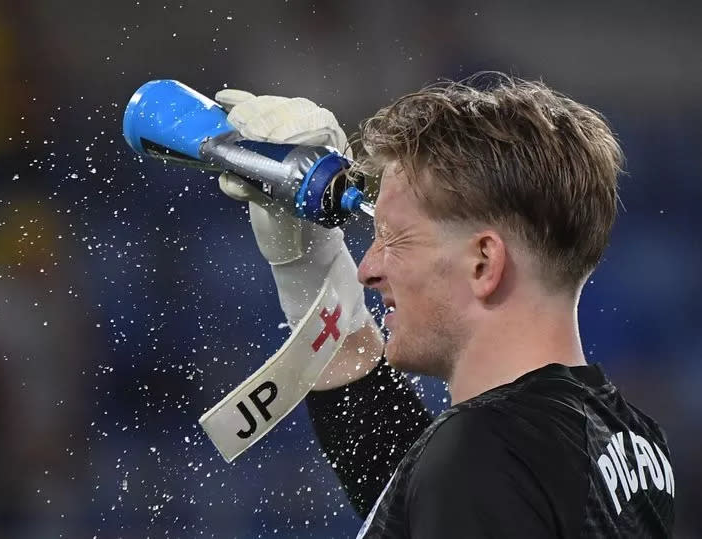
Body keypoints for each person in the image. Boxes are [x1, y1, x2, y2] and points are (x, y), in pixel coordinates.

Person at [214, 72, 674, 538]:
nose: (367, 269)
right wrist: (308, 265)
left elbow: (454, 476)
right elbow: (402, 486)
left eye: (394, 238)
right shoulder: (628, 438)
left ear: (482, 263)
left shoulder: (481, 453)